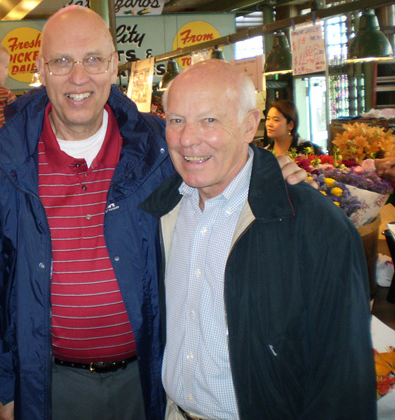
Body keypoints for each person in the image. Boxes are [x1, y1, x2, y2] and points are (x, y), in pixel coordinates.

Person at [0, 6, 307, 420]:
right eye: (61, 62)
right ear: (40, 68)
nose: (79, 77)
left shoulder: (158, 151)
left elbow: (221, 166)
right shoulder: (4, 166)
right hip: (50, 387)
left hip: (147, 381)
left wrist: (268, 173)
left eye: (94, 59)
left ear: (114, 65)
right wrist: (3, 391)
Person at [139, 59, 376, 420]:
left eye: (210, 120)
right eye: (176, 120)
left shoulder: (315, 227)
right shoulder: (160, 213)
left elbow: (344, 381)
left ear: (250, 125)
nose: (188, 138)